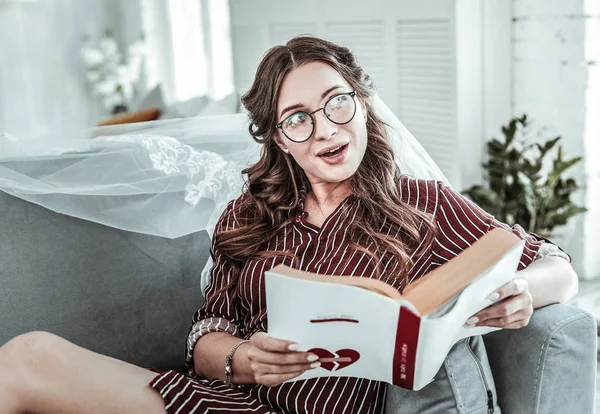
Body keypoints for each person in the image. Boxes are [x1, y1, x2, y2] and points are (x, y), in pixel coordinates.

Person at [0, 36, 578, 414]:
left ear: (361, 104)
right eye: (298, 120)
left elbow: (556, 265)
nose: (325, 130)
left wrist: (524, 290)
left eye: (336, 104)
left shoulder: (421, 205)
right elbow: (204, 336)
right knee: (28, 354)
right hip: (230, 402)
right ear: (278, 138)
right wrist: (240, 359)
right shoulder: (247, 216)